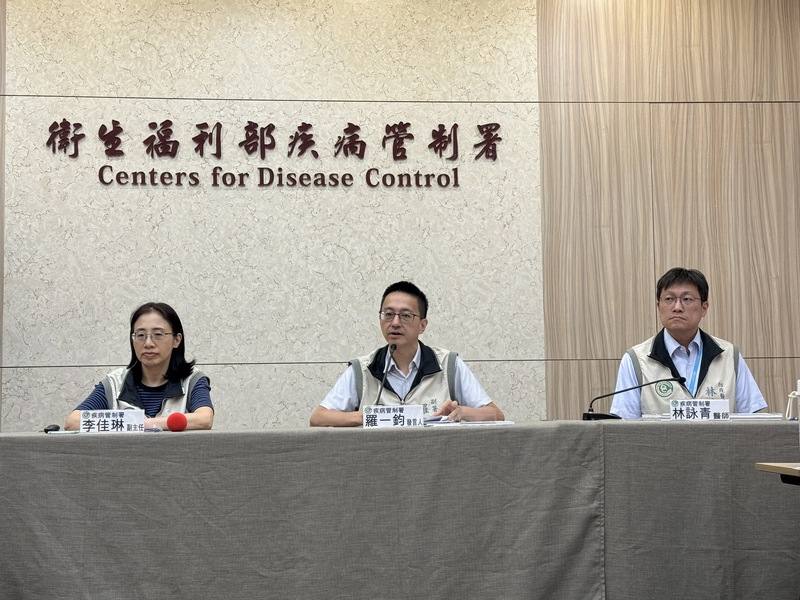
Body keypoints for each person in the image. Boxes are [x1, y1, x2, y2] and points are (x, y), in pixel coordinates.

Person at [310, 281, 504, 427]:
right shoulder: (363, 369)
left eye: (405, 315)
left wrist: (461, 413)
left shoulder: (448, 365)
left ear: (422, 325)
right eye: (388, 314)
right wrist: (368, 416)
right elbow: (318, 418)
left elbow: (495, 414)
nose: (394, 323)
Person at [611, 267, 766, 418]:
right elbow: (623, 428)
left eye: (687, 299)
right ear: (659, 306)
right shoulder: (636, 360)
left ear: (704, 308)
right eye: (669, 299)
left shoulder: (730, 355)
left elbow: (753, 418)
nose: (677, 307)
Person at [65, 302, 214, 430]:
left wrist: (143, 424)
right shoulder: (115, 383)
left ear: (176, 340)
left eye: (158, 334)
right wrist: (141, 425)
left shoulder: (192, 380)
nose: (148, 343)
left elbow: (204, 419)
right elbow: (73, 422)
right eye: (141, 335)